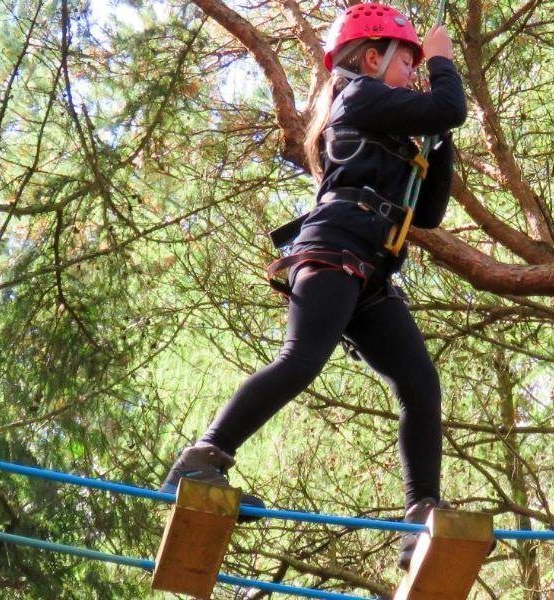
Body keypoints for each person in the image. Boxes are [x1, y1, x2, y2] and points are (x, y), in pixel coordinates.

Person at [160, 2, 467, 569]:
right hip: (334, 250)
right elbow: (448, 102)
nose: (414, 76)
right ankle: (202, 456)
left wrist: (441, 139)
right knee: (301, 359)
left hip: (370, 268)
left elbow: (426, 214)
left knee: (421, 383)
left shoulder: (384, 111)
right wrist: (446, 69)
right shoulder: (356, 94)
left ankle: (420, 511)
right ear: (372, 59)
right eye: (409, 64)